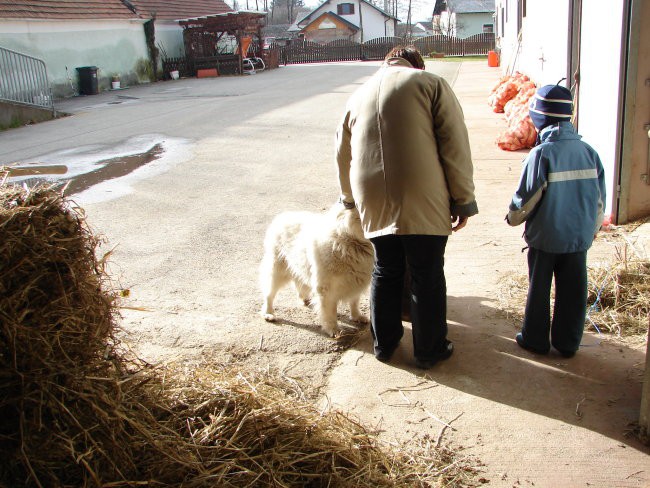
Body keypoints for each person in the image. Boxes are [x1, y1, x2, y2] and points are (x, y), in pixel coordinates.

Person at [335, 46, 478, 369]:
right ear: (417, 63)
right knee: (427, 272)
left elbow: (343, 155)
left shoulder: (358, 95)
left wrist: (349, 200)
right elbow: (454, 142)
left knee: (386, 269)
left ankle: (383, 345)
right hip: (422, 191)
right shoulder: (430, 83)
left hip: (372, 196)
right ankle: (430, 349)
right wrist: (462, 198)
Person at [506, 83, 606, 358]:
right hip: (578, 239)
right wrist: (592, 230)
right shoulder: (590, 153)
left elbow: (526, 198)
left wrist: (513, 218)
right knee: (574, 291)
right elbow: (599, 200)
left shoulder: (541, 154)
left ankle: (535, 339)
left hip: (546, 237)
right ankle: (568, 342)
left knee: (539, 289)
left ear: (539, 118)